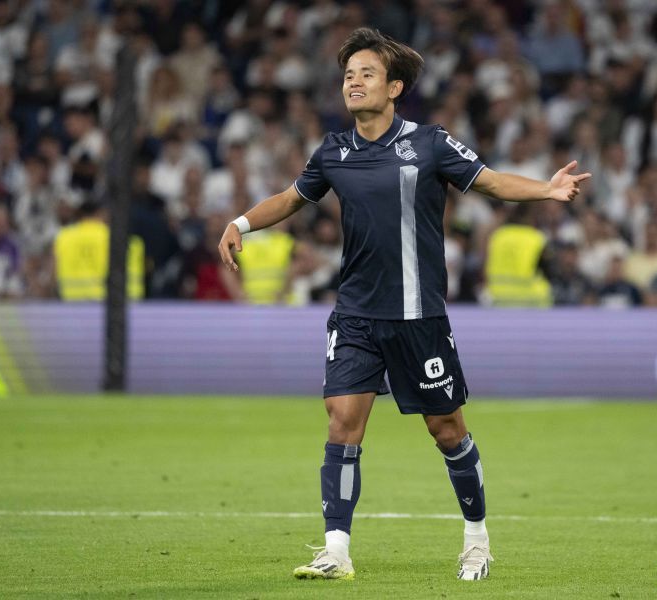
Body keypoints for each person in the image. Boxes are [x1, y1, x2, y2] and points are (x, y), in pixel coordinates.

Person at [218, 28, 589, 582]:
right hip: (356, 315)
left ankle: (477, 539)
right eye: (348, 74)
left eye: (366, 73)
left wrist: (546, 189)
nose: (354, 81)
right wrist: (241, 222)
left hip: (419, 317)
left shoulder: (432, 143)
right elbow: (292, 199)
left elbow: (488, 182)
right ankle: (336, 552)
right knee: (342, 422)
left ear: (394, 88)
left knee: (447, 430)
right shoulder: (334, 151)